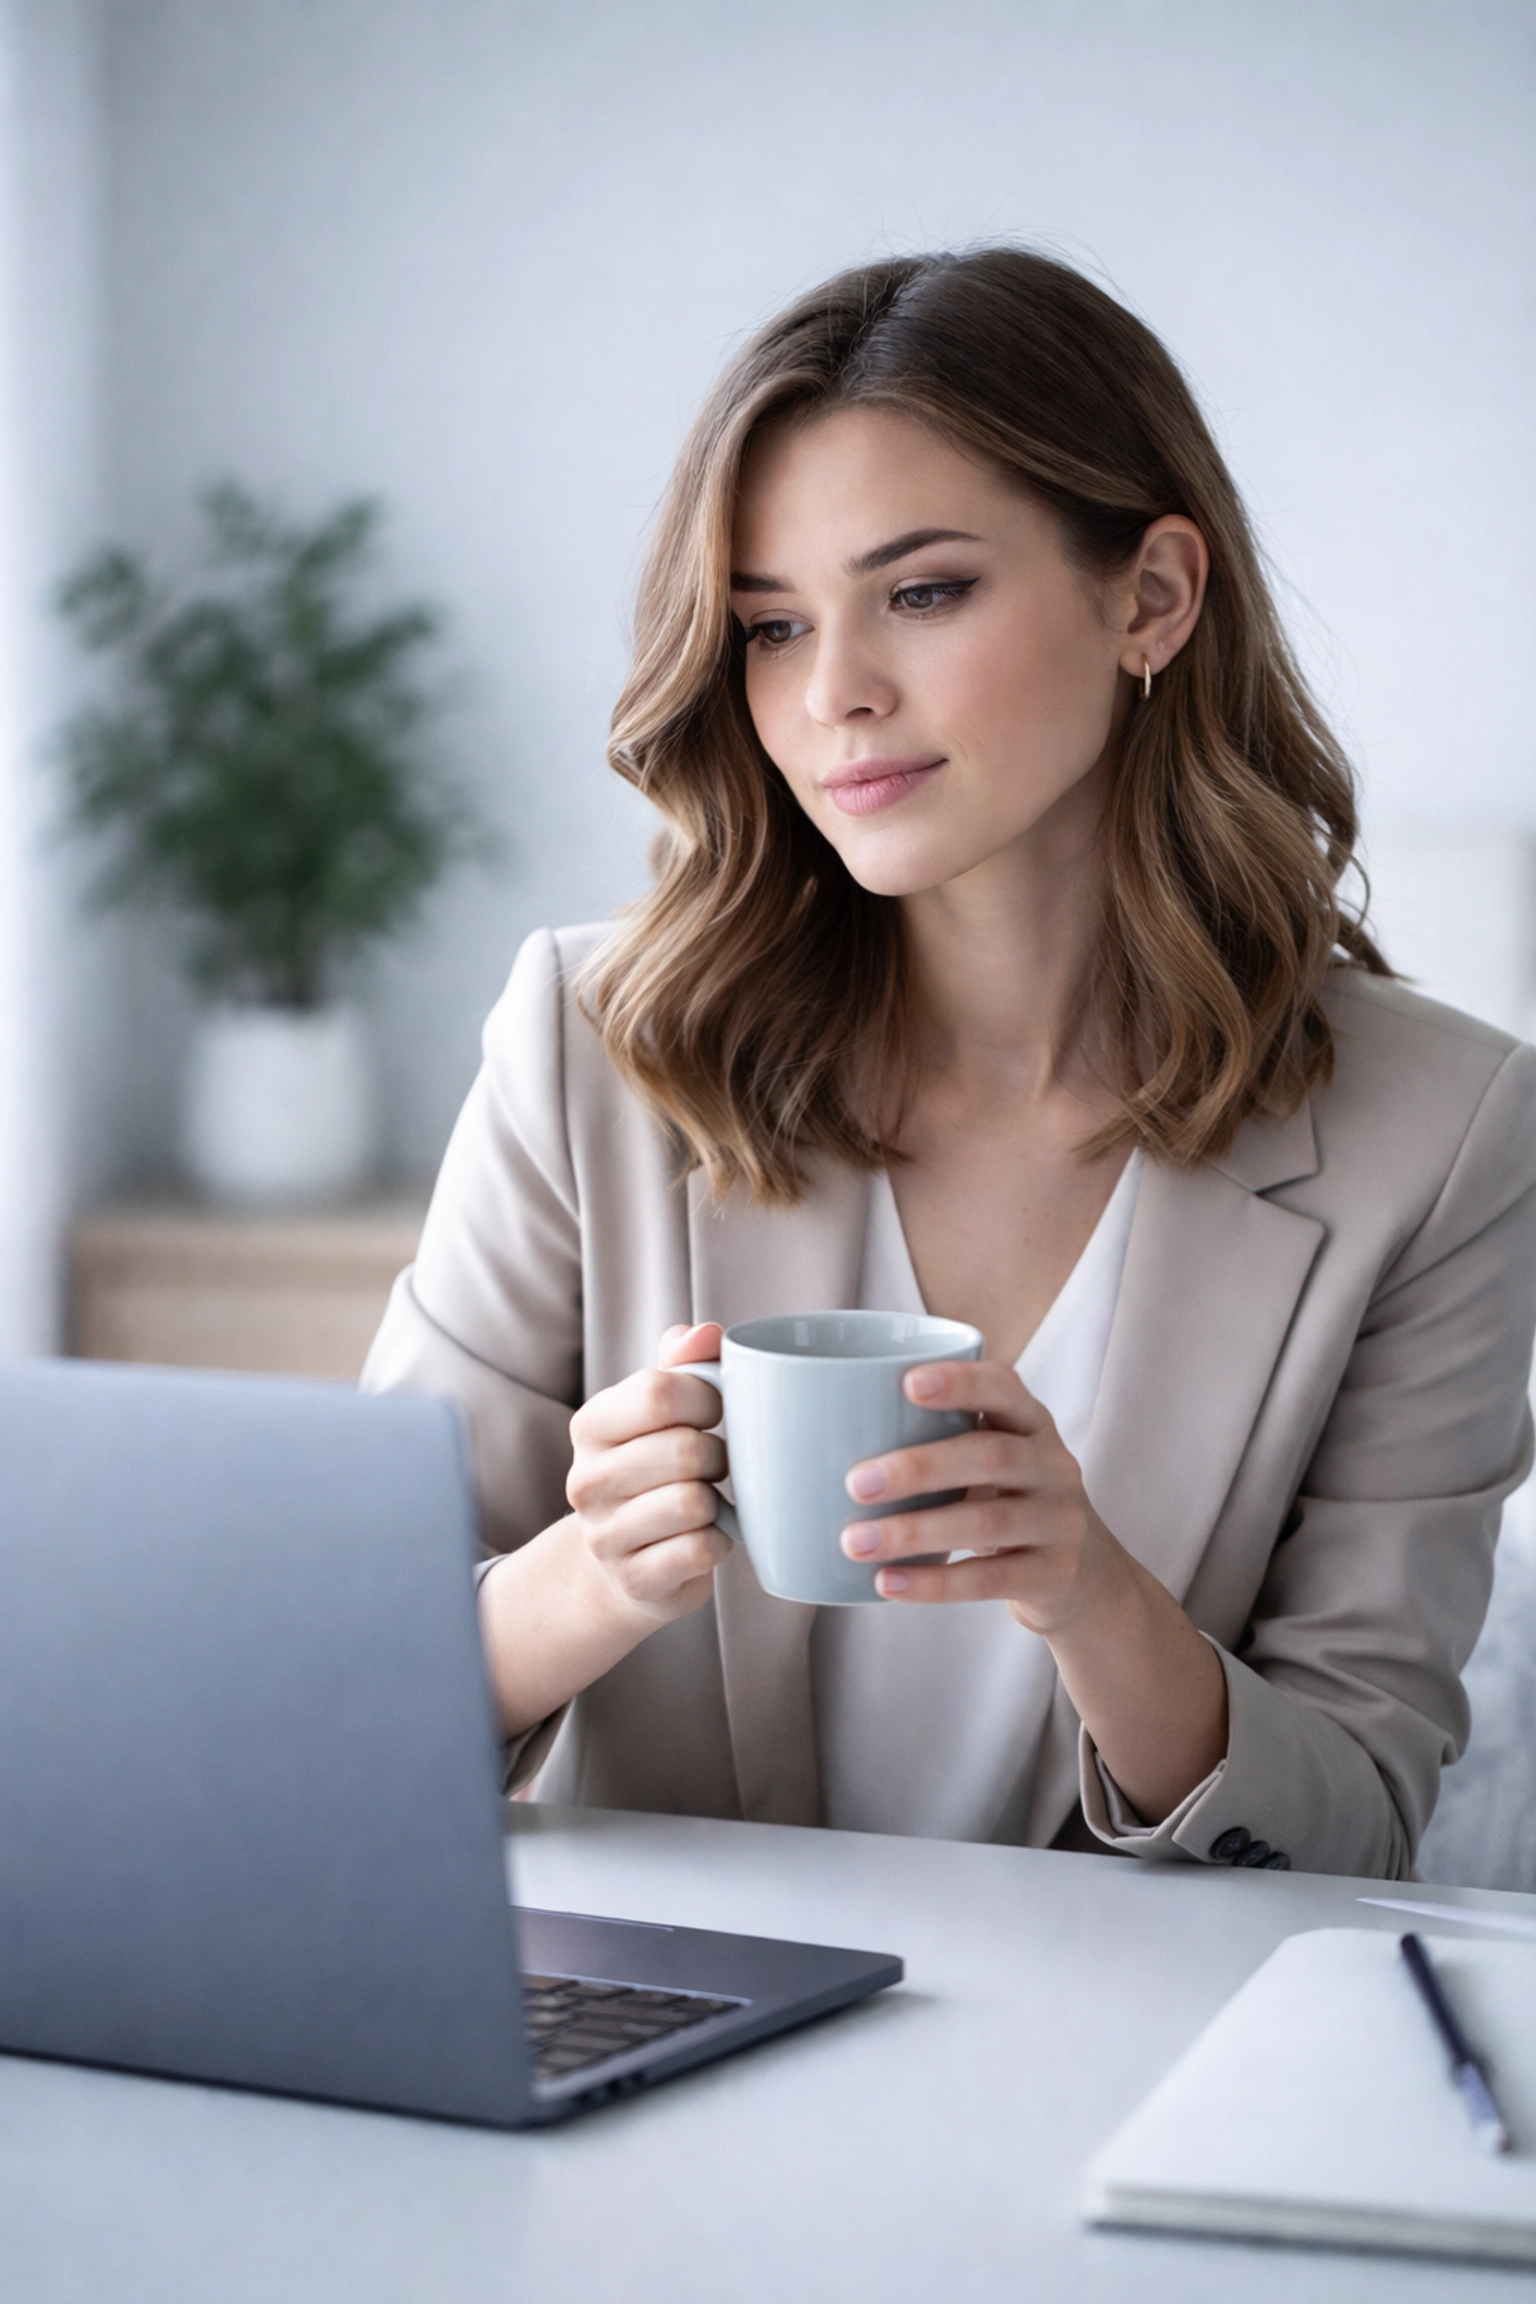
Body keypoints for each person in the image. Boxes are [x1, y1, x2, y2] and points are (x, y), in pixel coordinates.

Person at [363, 248, 1536, 1879]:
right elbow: (333, 1705)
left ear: (1153, 599)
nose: (835, 692)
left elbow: (1355, 1815)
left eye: (921, 593)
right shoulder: (589, 1049)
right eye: (772, 627)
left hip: (1108, 2080)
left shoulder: (1444, 1132)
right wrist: (596, 1577)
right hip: (636, 2046)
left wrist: (1093, 1597)